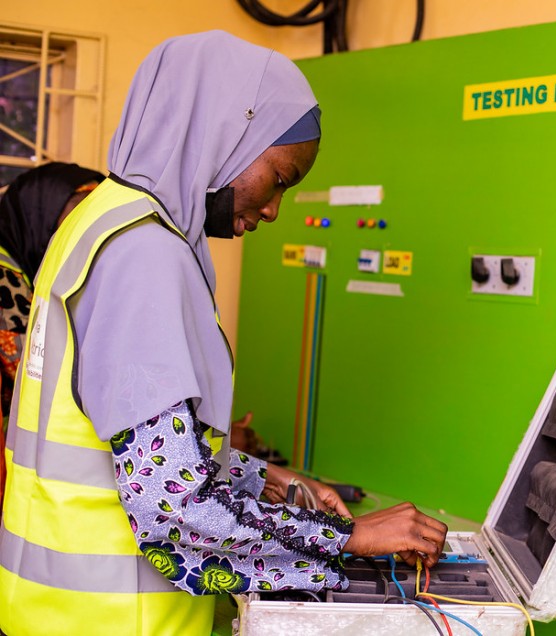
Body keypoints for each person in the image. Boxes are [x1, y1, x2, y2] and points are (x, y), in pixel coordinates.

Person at [0, 31, 447, 635]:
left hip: (54, 612)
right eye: (282, 178)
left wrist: (272, 479)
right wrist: (353, 536)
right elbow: (171, 507)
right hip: (117, 619)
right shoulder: (145, 255)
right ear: (223, 133)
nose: (273, 210)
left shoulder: (98, 221)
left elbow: (138, 443)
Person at [0, 162, 104, 511]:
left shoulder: (24, 275)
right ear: (38, 211)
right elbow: (36, 378)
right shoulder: (5, 280)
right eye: (73, 221)